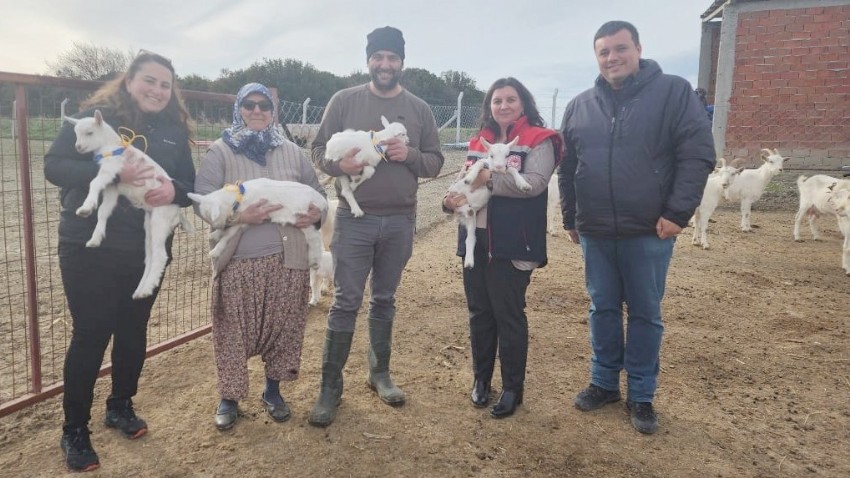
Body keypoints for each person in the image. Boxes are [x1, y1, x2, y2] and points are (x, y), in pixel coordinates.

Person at [558, 21, 715, 434]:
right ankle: (605, 382)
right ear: (596, 57)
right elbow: (568, 166)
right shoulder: (579, 105)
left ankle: (642, 394)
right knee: (602, 307)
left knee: (645, 313)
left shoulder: (673, 93)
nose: (612, 57)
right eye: (604, 51)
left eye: (620, 48)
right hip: (595, 231)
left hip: (649, 230)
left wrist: (678, 213)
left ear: (638, 49)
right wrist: (570, 217)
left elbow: (697, 155)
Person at [43, 50, 196, 472]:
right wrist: (110, 174)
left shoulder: (173, 131)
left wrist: (175, 193)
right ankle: (74, 428)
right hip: (89, 245)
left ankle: (120, 406)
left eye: (165, 85)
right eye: (149, 80)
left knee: (133, 330)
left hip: (143, 248)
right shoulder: (93, 118)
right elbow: (54, 166)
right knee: (91, 333)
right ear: (129, 81)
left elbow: (188, 182)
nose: (157, 90)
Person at [309, 26, 444, 427]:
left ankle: (379, 373)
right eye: (378, 57)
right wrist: (339, 166)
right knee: (346, 301)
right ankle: (330, 387)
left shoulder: (419, 109)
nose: (385, 64)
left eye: (392, 57)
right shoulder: (344, 101)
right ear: (368, 59)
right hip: (354, 220)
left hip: (401, 220)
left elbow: (435, 162)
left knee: (384, 299)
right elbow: (318, 150)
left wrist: (410, 154)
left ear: (402, 61)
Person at [193, 83, 325, 431]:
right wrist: (238, 218)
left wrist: (316, 215)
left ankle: (273, 391)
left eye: (263, 105)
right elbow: (202, 203)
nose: (256, 111)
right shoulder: (221, 152)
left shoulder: (292, 152)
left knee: (284, 330)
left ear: (272, 111)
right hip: (240, 262)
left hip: (289, 260)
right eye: (249, 105)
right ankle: (229, 397)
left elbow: (319, 194)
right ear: (238, 108)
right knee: (232, 331)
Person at [442, 77, 562, 419]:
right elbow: (465, 182)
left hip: (512, 242)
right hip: (474, 240)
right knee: (479, 313)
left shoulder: (540, 140)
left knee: (508, 315)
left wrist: (488, 179)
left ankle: (512, 388)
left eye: (511, 99)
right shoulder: (480, 142)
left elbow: (535, 185)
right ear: (489, 107)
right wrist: (450, 203)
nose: (504, 105)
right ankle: (481, 380)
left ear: (523, 103)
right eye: (497, 100)